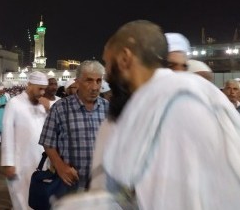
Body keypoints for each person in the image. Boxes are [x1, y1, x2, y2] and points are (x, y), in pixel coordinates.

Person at [100, 20, 240, 209]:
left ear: (125, 58)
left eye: (108, 63)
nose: (106, 75)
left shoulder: (176, 102)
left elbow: (173, 197)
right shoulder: (162, 97)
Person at [40, 61, 109, 192]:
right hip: (71, 185)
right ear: (77, 82)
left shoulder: (108, 108)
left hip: (101, 186)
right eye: (89, 81)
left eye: (98, 81)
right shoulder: (61, 108)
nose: (95, 87)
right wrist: (60, 166)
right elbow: (47, 142)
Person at [1, 71, 49, 210]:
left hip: (41, 164)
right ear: (29, 85)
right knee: (22, 203)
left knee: (38, 202)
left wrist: (48, 110)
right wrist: (8, 163)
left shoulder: (42, 106)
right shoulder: (14, 104)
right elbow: (7, 134)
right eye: (39, 88)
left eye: (44, 88)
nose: (42, 92)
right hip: (20, 165)